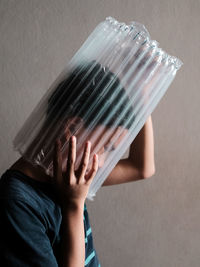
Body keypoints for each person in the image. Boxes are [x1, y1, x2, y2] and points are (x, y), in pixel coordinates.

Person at [0, 60, 155, 266]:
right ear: (72, 128)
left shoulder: (68, 176)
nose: (102, 165)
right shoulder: (17, 201)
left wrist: (140, 93)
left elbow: (141, 168)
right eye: (107, 148)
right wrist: (74, 206)